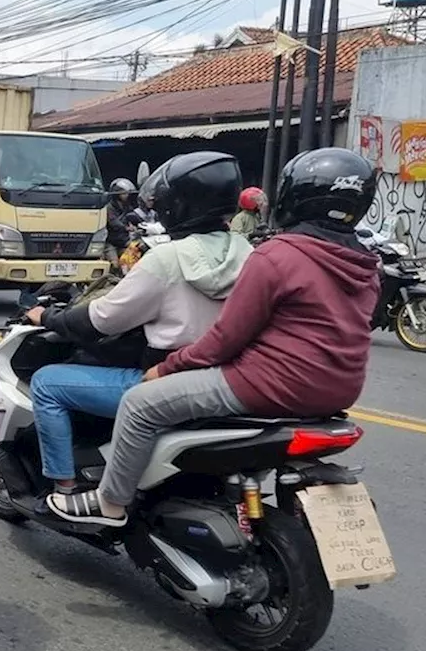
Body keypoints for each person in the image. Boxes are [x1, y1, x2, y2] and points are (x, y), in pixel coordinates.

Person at [48, 148, 381, 527]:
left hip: (268, 385)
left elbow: (226, 338)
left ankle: (110, 502)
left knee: (140, 404)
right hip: (340, 391)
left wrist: (169, 367)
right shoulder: (366, 264)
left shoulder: (276, 256)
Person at [22, 152, 253, 502]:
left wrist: (48, 317)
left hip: (164, 379)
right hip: (223, 380)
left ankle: (63, 489)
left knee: (46, 382)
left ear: (179, 204)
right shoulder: (250, 253)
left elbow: (102, 319)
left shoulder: (166, 258)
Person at [104, 178, 137, 268]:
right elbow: (113, 222)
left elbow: (133, 217)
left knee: (134, 257)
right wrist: (126, 228)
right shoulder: (109, 208)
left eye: (126, 193)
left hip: (124, 241)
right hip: (111, 241)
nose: (126, 195)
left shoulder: (127, 207)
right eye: (123, 193)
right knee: (114, 264)